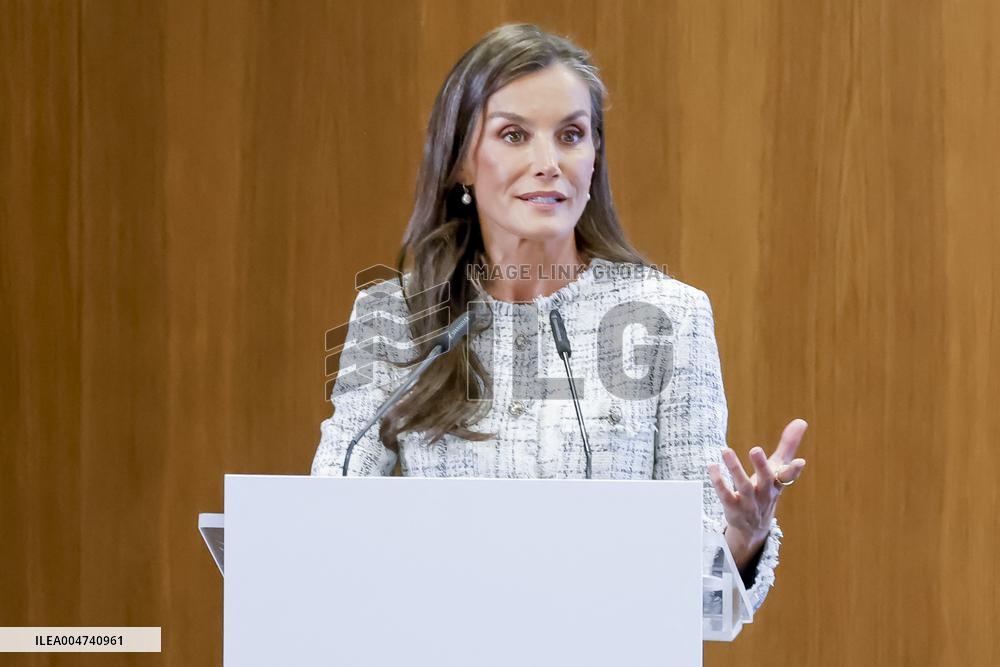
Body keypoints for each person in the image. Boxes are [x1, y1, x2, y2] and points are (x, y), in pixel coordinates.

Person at [311, 23, 807, 612]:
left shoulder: (669, 317)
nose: (548, 163)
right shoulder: (396, 317)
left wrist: (745, 534)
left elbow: (703, 602)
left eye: (571, 135)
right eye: (514, 135)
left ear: (594, 158)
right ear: (461, 163)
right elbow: (324, 524)